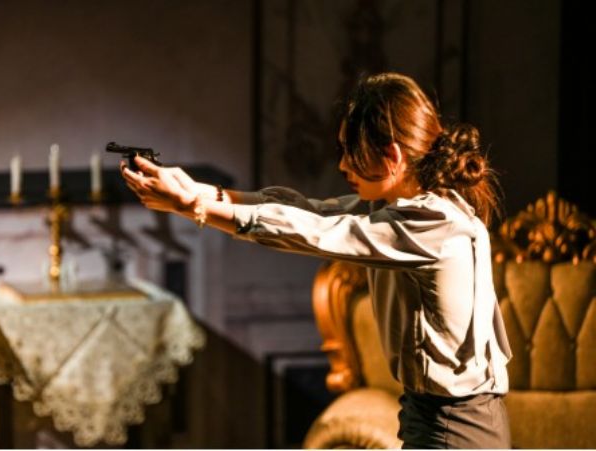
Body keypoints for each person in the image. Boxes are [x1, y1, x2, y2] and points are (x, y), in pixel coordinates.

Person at [120, 72, 512, 449]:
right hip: (433, 416)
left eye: (351, 153)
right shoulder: (397, 208)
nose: (342, 166)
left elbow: (315, 231)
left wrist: (197, 207)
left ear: (392, 155)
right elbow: (310, 212)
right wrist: (199, 194)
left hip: (455, 427)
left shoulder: (435, 223)